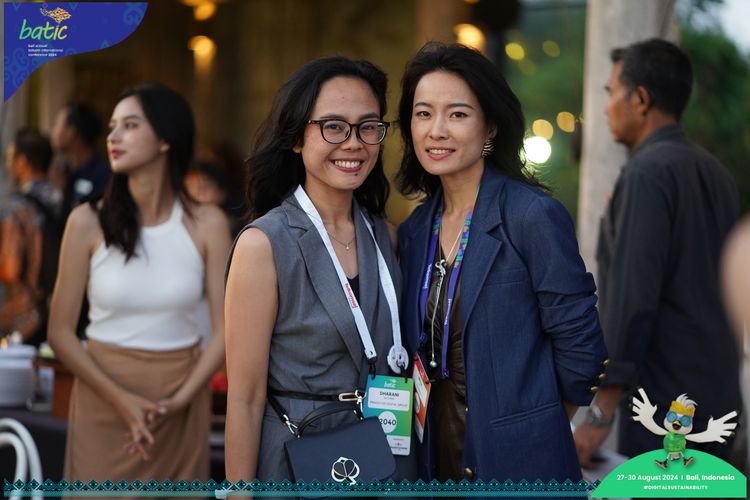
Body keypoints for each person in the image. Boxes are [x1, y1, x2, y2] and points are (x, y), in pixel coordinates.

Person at [396, 42, 608, 484]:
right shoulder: (415, 230)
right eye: (423, 114)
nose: (436, 130)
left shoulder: (531, 216)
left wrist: (534, 429)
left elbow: (581, 348)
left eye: (457, 114)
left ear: (490, 126)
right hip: (434, 459)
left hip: (518, 467)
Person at [224, 56, 413, 483]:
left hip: (383, 458)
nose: (354, 143)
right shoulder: (264, 244)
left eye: (368, 127)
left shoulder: (384, 236)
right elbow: (246, 398)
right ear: (296, 137)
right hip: (297, 458)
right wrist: (239, 494)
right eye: (334, 126)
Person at [47, 84, 230, 482]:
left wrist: (180, 400)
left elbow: (225, 331)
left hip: (180, 401)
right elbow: (59, 332)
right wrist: (122, 401)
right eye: (112, 126)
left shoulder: (208, 224)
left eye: (129, 125)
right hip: (102, 398)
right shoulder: (85, 222)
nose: (113, 137)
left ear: (165, 139)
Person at [573, 39, 742, 467]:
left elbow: (632, 298)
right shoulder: (717, 173)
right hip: (720, 399)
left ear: (641, 99)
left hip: (667, 410)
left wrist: (599, 412)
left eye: (612, 92)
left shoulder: (647, 173)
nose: (606, 107)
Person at [1, 128, 62, 345]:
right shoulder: (64, 200)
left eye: (10, 158)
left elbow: (10, 270)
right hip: (60, 313)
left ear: (22, 161)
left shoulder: (17, 208)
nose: (8, 165)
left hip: (25, 318)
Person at [49, 102, 112, 214]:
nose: (52, 131)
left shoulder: (103, 175)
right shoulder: (61, 172)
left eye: (56, 124)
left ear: (72, 131)